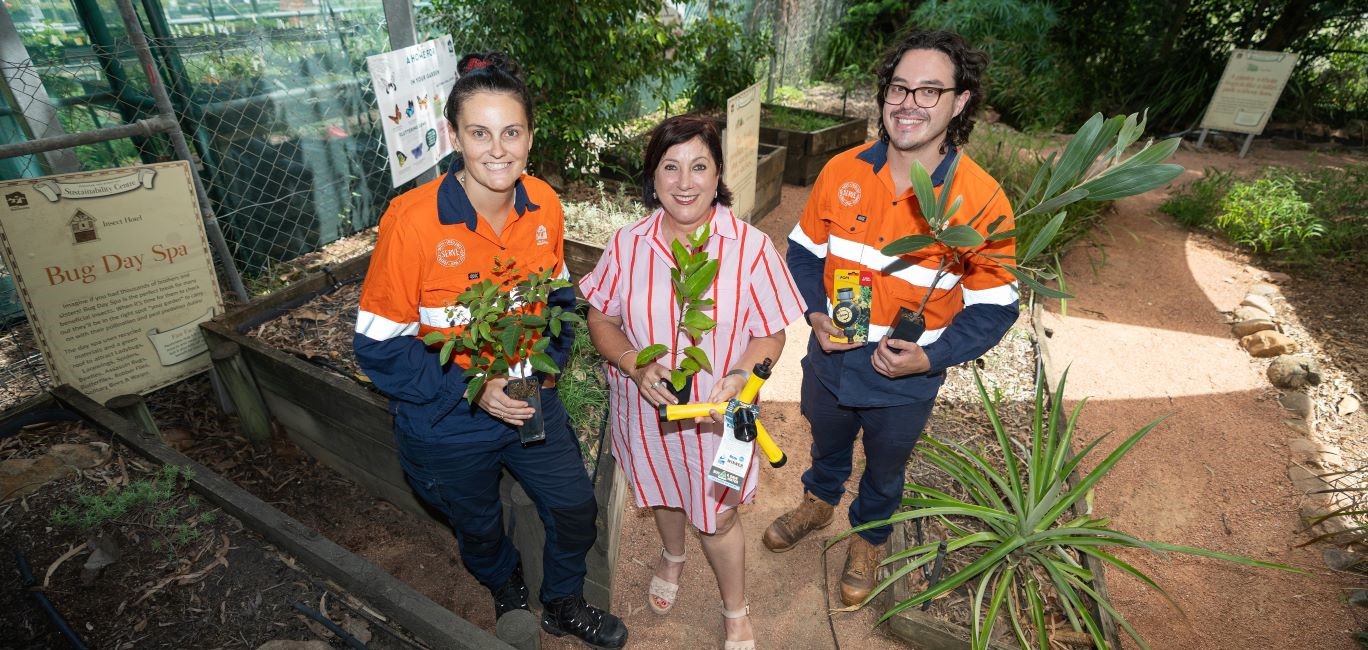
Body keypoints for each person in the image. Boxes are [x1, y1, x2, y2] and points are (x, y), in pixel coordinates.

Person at [353, 52, 628, 649]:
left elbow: (558, 296)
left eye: (511, 131)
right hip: (448, 418)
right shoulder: (413, 222)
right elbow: (377, 350)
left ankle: (561, 600)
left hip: (531, 399)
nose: (497, 149)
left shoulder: (544, 206)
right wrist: (476, 386)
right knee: (477, 526)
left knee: (577, 507)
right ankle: (506, 585)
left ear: (530, 137)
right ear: (453, 135)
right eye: (479, 132)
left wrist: (546, 368)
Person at [768, 30, 1019, 608]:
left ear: (960, 103)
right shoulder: (842, 170)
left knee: (885, 468)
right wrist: (814, 310)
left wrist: (930, 357)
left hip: (905, 379)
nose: (910, 102)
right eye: (900, 88)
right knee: (826, 442)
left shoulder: (979, 199)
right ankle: (819, 500)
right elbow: (805, 249)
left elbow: (995, 305)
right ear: (884, 96)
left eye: (931, 91)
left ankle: (870, 537)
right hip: (831, 361)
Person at [580, 115, 806, 650]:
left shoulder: (749, 248)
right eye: (670, 167)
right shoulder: (629, 244)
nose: (685, 182)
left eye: (699, 166)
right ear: (652, 177)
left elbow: (770, 335)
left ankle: (736, 611)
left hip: (718, 419)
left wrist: (738, 377)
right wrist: (636, 364)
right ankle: (673, 555)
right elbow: (600, 319)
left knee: (720, 518)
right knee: (662, 494)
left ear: (718, 173)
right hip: (648, 411)